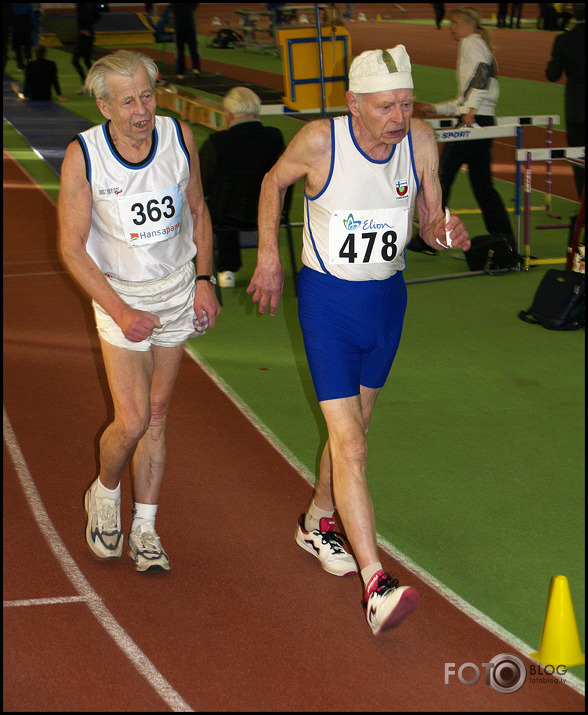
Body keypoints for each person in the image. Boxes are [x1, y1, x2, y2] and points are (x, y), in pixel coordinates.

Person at [247, 45, 470, 635]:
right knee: (349, 446)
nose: (398, 117)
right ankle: (377, 582)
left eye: (405, 103)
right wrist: (269, 255)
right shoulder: (321, 142)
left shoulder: (421, 141)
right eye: (385, 107)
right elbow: (273, 183)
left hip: (386, 304)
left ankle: (318, 521)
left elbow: (428, 222)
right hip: (328, 304)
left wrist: (447, 232)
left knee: (356, 434)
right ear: (353, 104)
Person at [58, 50, 220, 573]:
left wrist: (203, 279)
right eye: (127, 101)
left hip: (175, 292)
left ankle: (146, 528)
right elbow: (72, 248)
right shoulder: (83, 156)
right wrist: (121, 311)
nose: (140, 110)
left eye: (147, 96)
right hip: (120, 297)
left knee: (156, 416)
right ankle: (104, 495)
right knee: (129, 421)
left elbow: (197, 210)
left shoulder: (178, 138)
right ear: (104, 106)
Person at [418, 5, 515, 251]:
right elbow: (467, 94)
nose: (452, 27)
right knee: (483, 187)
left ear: (469, 23)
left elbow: (482, 74)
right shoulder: (476, 43)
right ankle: (505, 238)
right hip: (482, 119)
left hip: (474, 121)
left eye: (455, 22)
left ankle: (431, 236)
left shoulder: (472, 42)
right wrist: (438, 109)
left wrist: (470, 110)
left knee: (442, 175)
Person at [199, 87, 285, 288]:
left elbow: (200, 184)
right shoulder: (274, 137)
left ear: (229, 114)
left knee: (218, 204)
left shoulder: (217, 142)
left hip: (226, 217)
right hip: (270, 211)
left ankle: (226, 269)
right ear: (257, 110)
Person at [545, 3, 585, 198]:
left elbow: (552, 75)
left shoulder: (564, 40)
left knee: (579, 160)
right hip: (576, 109)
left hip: (577, 110)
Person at [72, 3, 100, 93]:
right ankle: (90, 84)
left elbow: (94, 16)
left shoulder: (82, 6)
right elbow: (97, 16)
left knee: (77, 60)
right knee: (85, 61)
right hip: (86, 35)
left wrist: (85, 28)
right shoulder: (85, 5)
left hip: (85, 36)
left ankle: (87, 84)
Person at [171, 3, 201, 79]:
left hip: (181, 28)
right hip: (188, 28)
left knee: (181, 51)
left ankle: (182, 72)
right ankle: (195, 68)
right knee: (192, 49)